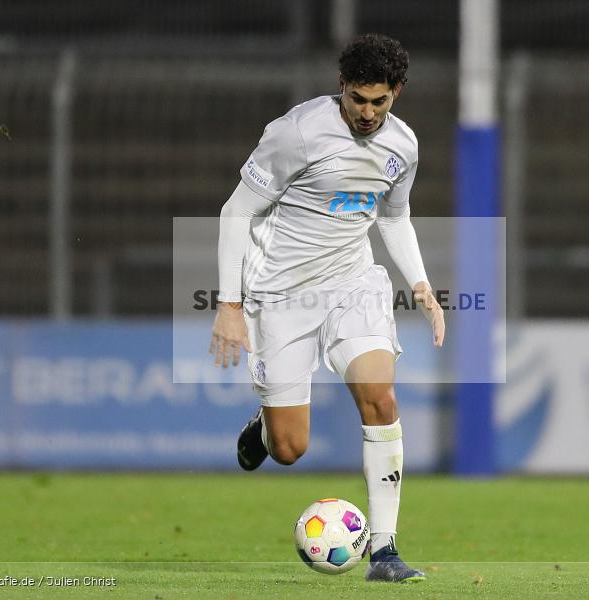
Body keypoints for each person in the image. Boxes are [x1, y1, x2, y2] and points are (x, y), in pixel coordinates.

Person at [209, 33, 444, 583]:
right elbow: (235, 210)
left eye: (378, 101)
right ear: (342, 87)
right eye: (357, 99)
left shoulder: (403, 146)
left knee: (381, 397)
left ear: (397, 93)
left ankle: (384, 552)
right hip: (281, 292)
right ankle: (266, 429)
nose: (366, 113)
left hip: (351, 282)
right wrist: (229, 304)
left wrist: (421, 283)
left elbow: (392, 216)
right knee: (291, 448)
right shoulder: (296, 133)